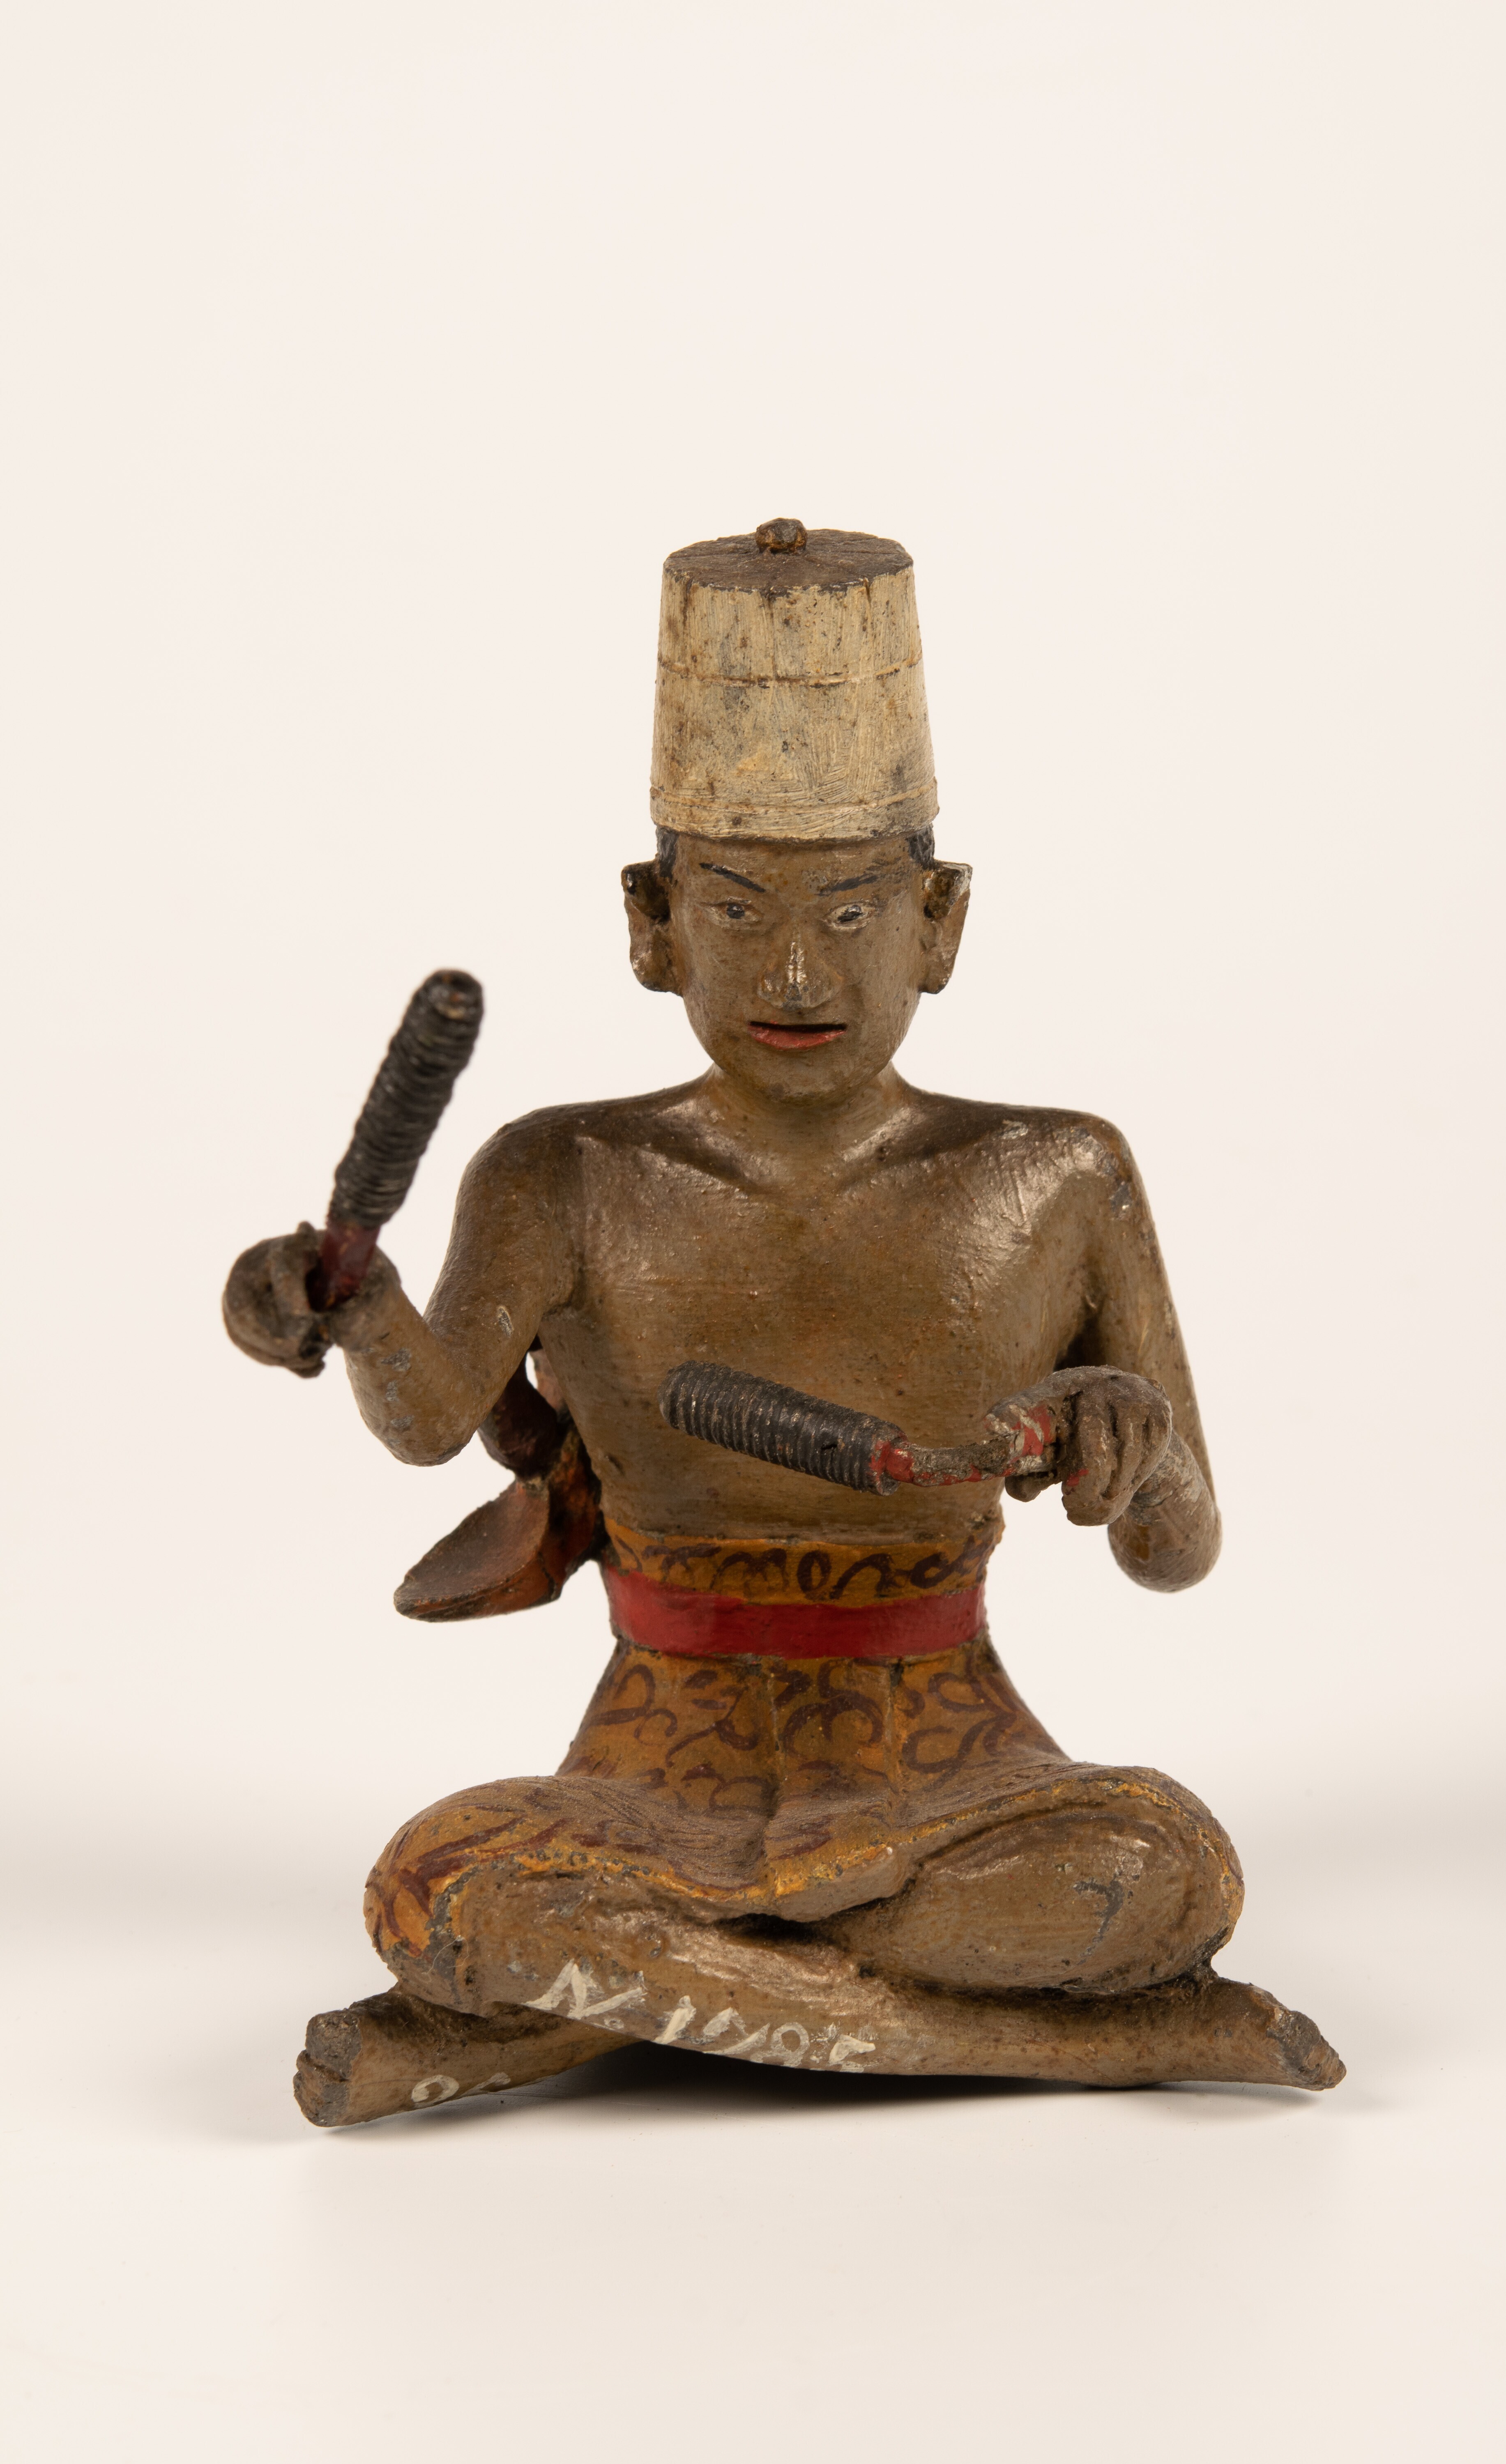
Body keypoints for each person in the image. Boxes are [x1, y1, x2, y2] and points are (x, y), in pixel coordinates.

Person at [226, 521, 1343, 2116]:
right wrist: (347, 1303)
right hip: (652, 1779)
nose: (799, 971)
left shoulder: (1057, 1177)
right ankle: (1060, 2038)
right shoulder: (564, 1173)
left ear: (940, 920)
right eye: (741, 913)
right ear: (653, 921)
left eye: (854, 915)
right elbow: (424, 1419)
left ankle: (615, 2006)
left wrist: (1135, 1437)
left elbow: (1178, 1551)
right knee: (436, 1884)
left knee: (1165, 1865)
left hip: (955, 1772)